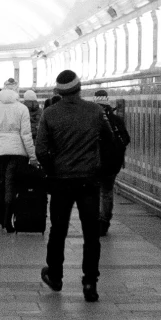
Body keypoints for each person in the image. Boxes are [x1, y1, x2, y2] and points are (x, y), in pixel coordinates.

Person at [35, 69, 114, 301]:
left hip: (61, 182)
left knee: (58, 230)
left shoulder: (49, 113)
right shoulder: (96, 111)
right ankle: (90, 282)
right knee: (91, 233)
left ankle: (56, 276)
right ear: (80, 88)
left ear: (58, 91)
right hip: (89, 180)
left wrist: (52, 169)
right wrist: (98, 169)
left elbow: (40, 150)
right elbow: (109, 142)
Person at [0, 83, 36, 232]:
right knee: (13, 186)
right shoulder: (22, 108)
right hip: (17, 153)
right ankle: (9, 219)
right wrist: (32, 156)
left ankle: (1, 218)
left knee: (0, 184)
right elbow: (26, 135)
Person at [93, 87, 129, 230]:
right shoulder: (116, 119)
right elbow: (126, 139)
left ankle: (97, 219)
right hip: (113, 162)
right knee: (107, 191)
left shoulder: (92, 119)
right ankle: (105, 220)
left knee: (96, 191)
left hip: (96, 162)